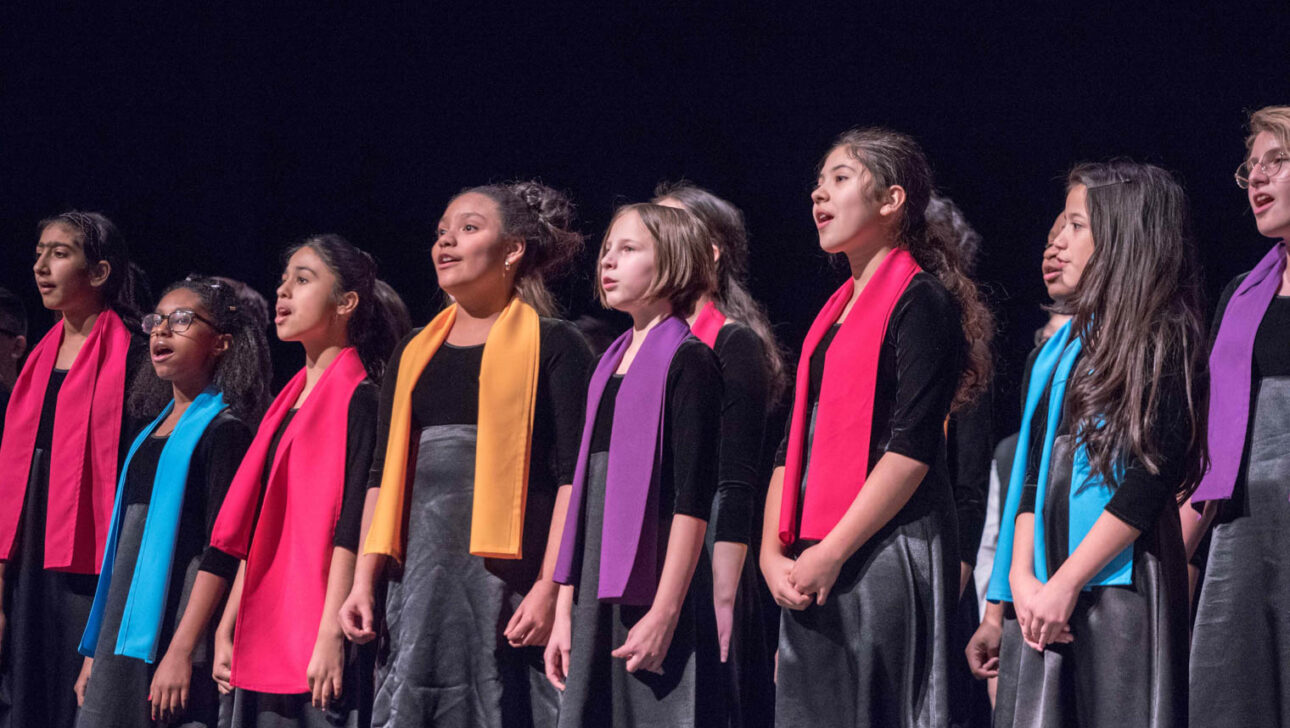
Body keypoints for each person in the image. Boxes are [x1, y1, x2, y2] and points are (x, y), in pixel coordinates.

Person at [761, 128, 992, 726]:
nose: (819, 194)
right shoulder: (832, 314)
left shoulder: (921, 302)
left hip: (886, 547)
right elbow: (793, 446)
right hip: (813, 555)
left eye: (840, 179)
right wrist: (771, 552)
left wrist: (832, 551)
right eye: (818, 182)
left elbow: (913, 449)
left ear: (891, 201)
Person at [341, 182, 592, 728]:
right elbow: (384, 474)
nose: (446, 242)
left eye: (469, 228)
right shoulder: (413, 350)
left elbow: (574, 480)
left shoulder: (557, 344)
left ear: (513, 249)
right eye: (441, 233)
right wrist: (363, 581)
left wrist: (552, 589)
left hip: (510, 582)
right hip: (419, 581)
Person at [992, 161, 1207, 727]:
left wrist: (1066, 582)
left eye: (1076, 225)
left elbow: (1150, 477)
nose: (1057, 240)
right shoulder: (1062, 351)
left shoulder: (1162, 336)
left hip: (1114, 582)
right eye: (1058, 225)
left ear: (1124, 237)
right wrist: (1023, 581)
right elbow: (1032, 472)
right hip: (1042, 584)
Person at [210, 235, 401, 727]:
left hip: (317, 624)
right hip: (266, 615)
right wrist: (227, 624)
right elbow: (260, 526)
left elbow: (351, 521)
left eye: (302, 280)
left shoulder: (361, 400)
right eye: (282, 280)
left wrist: (329, 635)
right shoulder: (284, 405)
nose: (283, 292)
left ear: (347, 302)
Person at [546, 203, 724, 727]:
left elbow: (692, 501)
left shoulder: (689, 359)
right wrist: (564, 612)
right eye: (607, 251)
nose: (609, 262)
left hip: (655, 583)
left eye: (628, 250)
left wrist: (666, 612)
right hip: (594, 587)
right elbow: (583, 494)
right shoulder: (607, 363)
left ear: (672, 261)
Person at [73, 276, 269, 727]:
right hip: (119, 637)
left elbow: (223, 549)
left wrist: (182, 651)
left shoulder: (226, 431)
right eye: (157, 320)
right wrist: (94, 654)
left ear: (221, 343)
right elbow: (123, 551)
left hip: (176, 631)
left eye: (181, 320)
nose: (161, 330)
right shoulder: (147, 433)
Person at [0, 211, 147, 728]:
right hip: (29, 549)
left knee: (75, 690)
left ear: (100, 272)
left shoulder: (136, 356)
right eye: (39, 252)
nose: (41, 265)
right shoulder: (37, 360)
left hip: (87, 553)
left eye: (59, 253)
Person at [654, 181, 781, 728]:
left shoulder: (733, 343)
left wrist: (723, 595)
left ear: (708, 252)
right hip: (654, 544)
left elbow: (736, 480)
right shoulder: (645, 345)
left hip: (710, 557)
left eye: (667, 230)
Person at [1187, 104, 1290, 726]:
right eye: (1249, 169)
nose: (1256, 180)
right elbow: (1215, 440)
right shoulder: (1240, 294)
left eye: (1276, 162)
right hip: (1246, 527)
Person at [966, 212, 1069, 705]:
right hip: (1028, 597)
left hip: (1086, 589)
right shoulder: (1041, 363)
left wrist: (1063, 584)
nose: (1051, 249)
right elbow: (1021, 498)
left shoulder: (1145, 342)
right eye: (1048, 237)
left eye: (1073, 229)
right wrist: (995, 610)